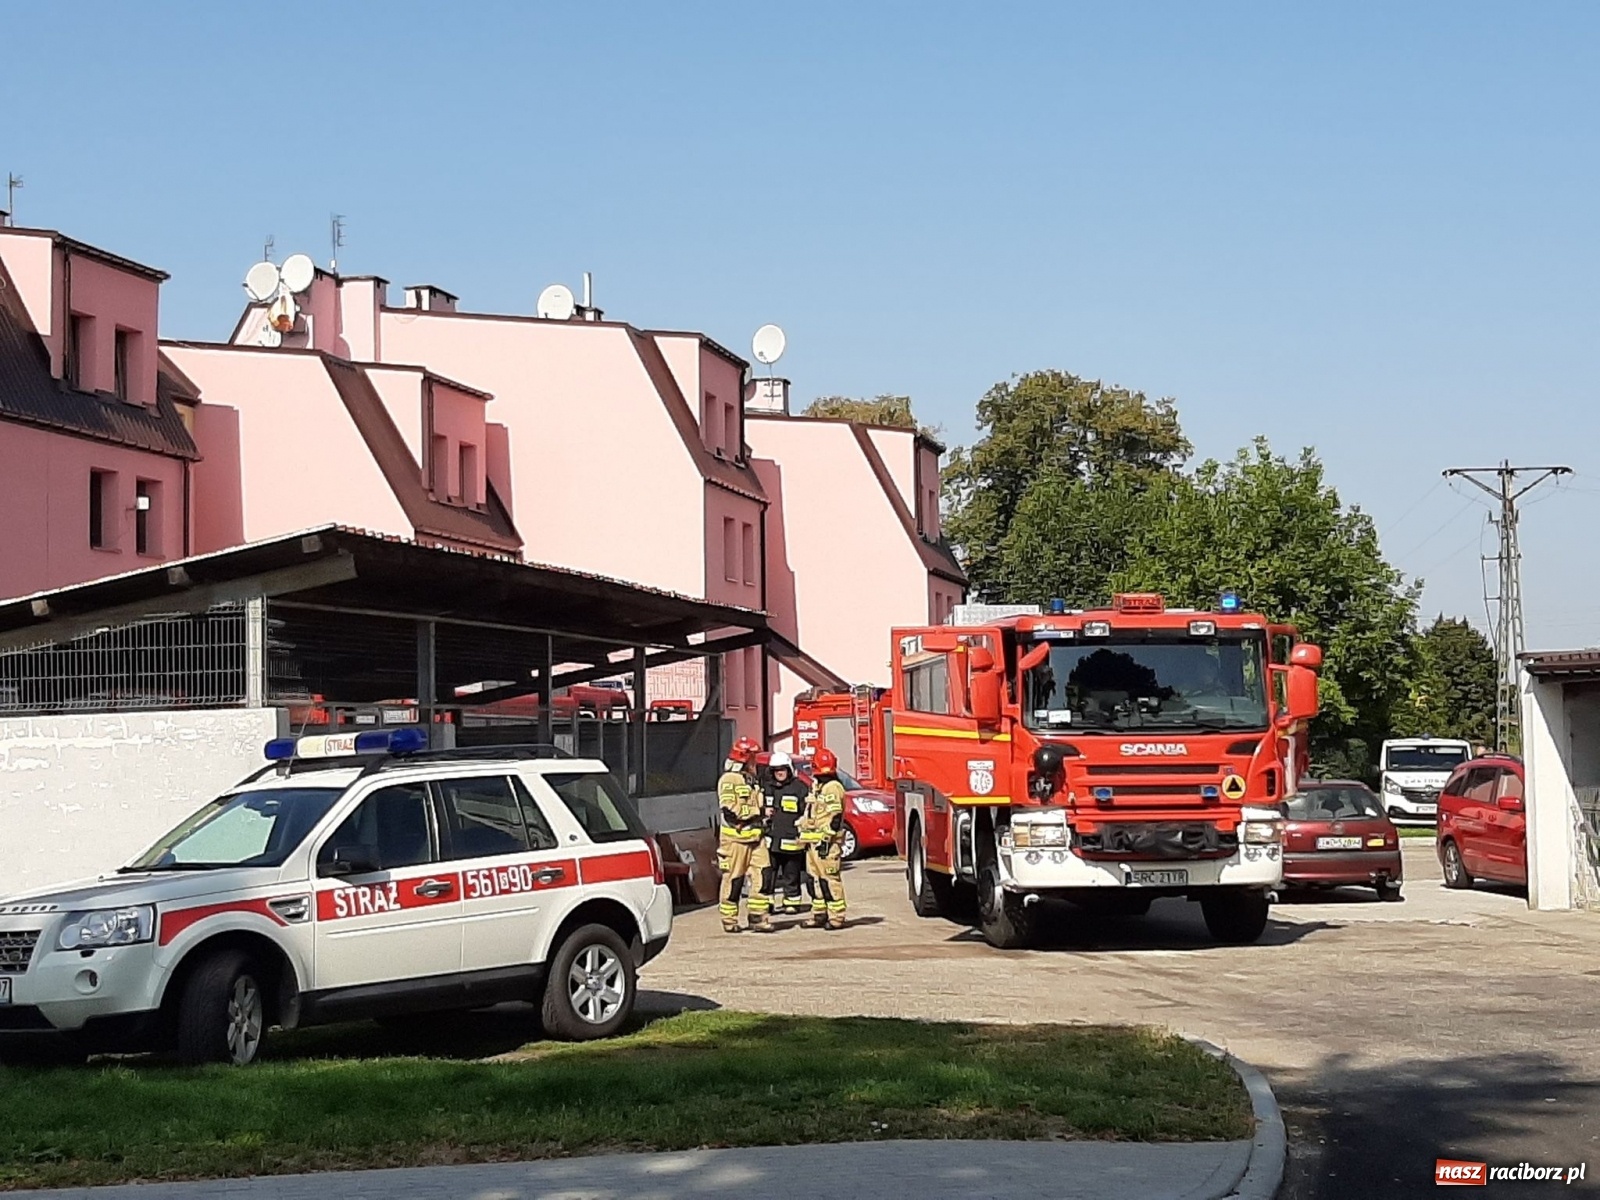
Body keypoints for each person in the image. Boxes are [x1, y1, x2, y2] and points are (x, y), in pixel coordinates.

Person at [716, 737, 771, 933]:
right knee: (734, 879)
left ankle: (758, 917)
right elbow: (730, 810)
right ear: (744, 758)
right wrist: (758, 812)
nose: (755, 761)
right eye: (753, 757)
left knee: (763, 876)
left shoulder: (751, 779)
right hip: (736, 839)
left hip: (756, 837)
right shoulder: (729, 779)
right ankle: (729, 920)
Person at [800, 748, 849, 929]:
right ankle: (819, 914)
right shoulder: (819, 787)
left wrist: (826, 841)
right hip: (813, 843)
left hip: (825, 844)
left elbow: (835, 818)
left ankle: (836, 918)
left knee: (829, 880)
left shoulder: (832, 788)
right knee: (814, 881)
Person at [761, 750, 811, 919]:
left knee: (791, 874)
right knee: (768, 874)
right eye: (776, 770)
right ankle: (767, 903)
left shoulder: (800, 788)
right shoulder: (767, 787)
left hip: (792, 840)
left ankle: (791, 903)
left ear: (789, 769)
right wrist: (763, 811)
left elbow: (807, 812)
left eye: (782, 769)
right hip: (771, 840)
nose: (779, 773)